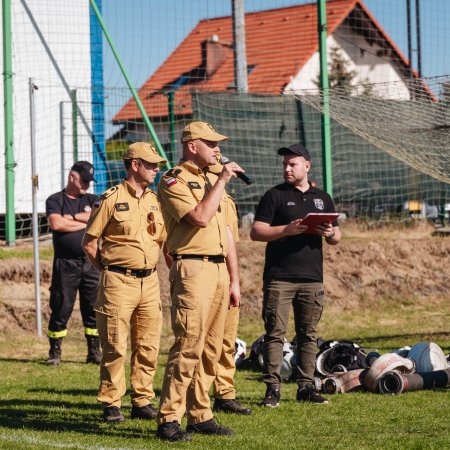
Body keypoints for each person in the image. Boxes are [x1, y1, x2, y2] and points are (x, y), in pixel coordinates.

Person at [155, 121, 244, 442]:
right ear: (192, 145)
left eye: (218, 143)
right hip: (192, 269)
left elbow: (227, 234)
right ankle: (168, 418)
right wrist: (221, 179)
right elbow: (200, 218)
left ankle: (201, 414)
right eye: (211, 143)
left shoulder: (211, 180)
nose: (218, 148)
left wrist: (235, 279)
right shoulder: (172, 179)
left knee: (211, 348)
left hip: (219, 270)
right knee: (188, 344)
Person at [250, 143, 341, 407]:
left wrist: (330, 233)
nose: (287, 169)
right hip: (279, 278)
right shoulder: (274, 196)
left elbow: (337, 236)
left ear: (307, 166)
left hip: (312, 278)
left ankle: (306, 387)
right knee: (275, 334)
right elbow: (256, 232)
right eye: (284, 164)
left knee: (308, 335)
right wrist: (286, 230)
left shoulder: (323, 198)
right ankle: (272, 389)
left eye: (292, 164)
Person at [81, 142, 166, 423]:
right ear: (134, 165)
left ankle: (142, 400)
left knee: (148, 344)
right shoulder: (110, 198)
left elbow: (161, 241)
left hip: (150, 282)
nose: (156, 168)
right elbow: (89, 242)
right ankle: (111, 402)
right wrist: (108, 270)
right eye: (151, 163)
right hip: (118, 281)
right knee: (115, 345)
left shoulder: (154, 199)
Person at [45, 161, 100, 366]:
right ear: (72, 177)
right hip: (65, 264)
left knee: (93, 307)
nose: (87, 184)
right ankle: (55, 352)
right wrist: (85, 223)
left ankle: (94, 352)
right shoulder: (55, 199)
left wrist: (74, 217)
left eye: (89, 181)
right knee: (61, 306)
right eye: (84, 180)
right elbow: (56, 223)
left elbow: (98, 218)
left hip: (90, 262)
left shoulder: (93, 199)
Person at [209, 158, 251, 416]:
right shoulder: (194, 193)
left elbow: (230, 245)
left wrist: (235, 281)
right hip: (201, 276)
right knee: (203, 343)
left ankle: (225, 394)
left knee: (227, 341)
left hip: (225, 277)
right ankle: (197, 395)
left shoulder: (227, 201)